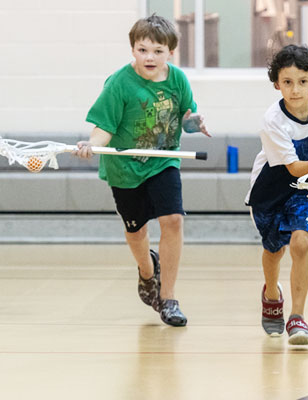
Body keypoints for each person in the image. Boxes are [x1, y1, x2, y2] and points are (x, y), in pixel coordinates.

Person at [73, 15, 210, 325]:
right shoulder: (119, 83)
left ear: (170, 53)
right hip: (125, 168)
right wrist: (91, 145)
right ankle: (148, 271)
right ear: (133, 50)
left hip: (163, 160)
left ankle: (169, 298)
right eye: (143, 49)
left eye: (158, 51)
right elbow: (103, 128)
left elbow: (187, 117)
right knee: (136, 233)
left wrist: (195, 122)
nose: (150, 57)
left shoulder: (177, 80)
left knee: (172, 220)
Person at [246, 45, 308, 345]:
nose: (295, 89)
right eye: (287, 82)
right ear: (276, 83)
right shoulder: (273, 120)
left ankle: (298, 318)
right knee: (275, 251)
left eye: (303, 81)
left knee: (301, 243)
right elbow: (293, 168)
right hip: (270, 189)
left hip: (304, 191)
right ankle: (271, 293)